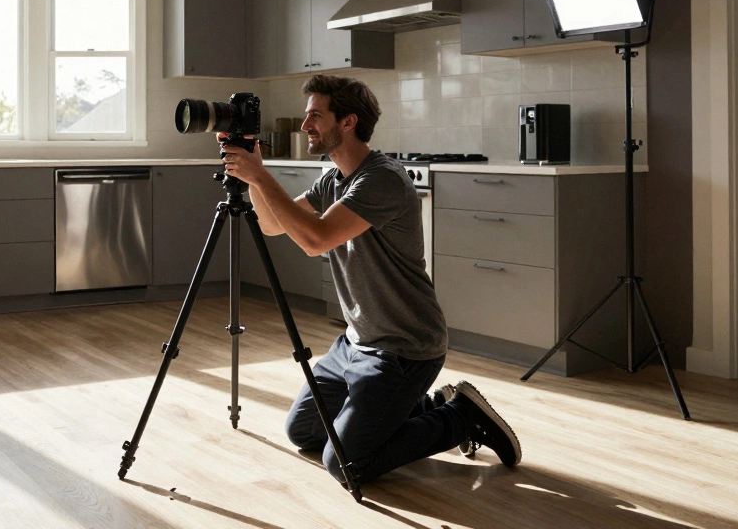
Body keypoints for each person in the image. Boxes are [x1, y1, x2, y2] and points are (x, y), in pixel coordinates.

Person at [219, 74, 521, 486]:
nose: (306, 125)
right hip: (355, 343)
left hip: (404, 346)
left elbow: (315, 239)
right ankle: (425, 406)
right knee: (303, 432)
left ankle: (460, 417)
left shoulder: (380, 179)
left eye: (315, 116)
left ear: (348, 122)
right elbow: (272, 225)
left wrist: (260, 176)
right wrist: (253, 173)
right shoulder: (333, 180)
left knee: (347, 463)